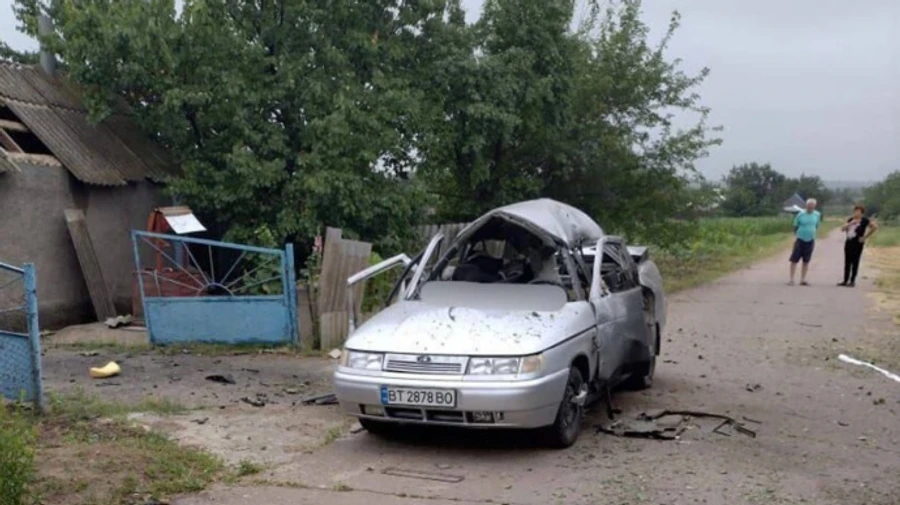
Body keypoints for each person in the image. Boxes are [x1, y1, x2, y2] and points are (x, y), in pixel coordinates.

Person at [838, 204, 878, 287]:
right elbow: (842, 229)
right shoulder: (850, 219)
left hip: (858, 242)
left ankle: (852, 281)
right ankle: (845, 280)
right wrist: (851, 223)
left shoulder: (864, 220)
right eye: (855, 211)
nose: (857, 213)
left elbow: (874, 227)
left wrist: (865, 237)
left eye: (859, 211)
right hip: (849, 241)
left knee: (855, 261)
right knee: (847, 261)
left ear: (862, 213)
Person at [788, 198, 821, 286]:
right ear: (806, 206)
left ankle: (803, 279)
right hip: (800, 239)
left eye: (812, 206)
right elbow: (795, 226)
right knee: (794, 260)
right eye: (809, 205)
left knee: (806, 261)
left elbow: (817, 226)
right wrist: (797, 234)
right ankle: (791, 279)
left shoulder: (817, 215)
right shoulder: (800, 214)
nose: (810, 207)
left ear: (814, 206)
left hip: (810, 239)